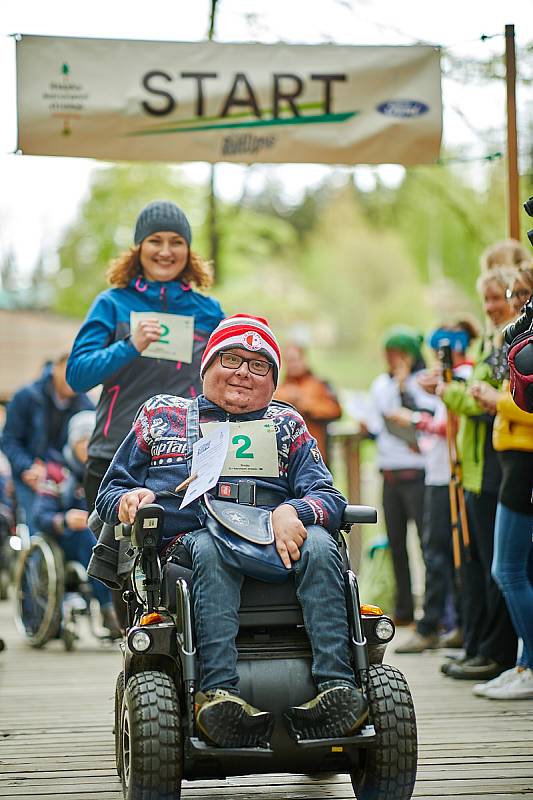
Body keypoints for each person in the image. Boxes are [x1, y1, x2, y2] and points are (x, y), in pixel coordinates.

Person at [96, 314, 368, 748]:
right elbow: (110, 491)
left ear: (273, 381)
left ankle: (337, 689)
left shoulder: (287, 424)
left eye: (259, 365)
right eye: (231, 359)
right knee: (209, 548)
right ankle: (217, 694)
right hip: (191, 544)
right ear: (207, 366)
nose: (243, 371)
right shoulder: (161, 414)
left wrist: (294, 510)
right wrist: (130, 501)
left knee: (318, 541)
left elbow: (328, 496)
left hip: (276, 542)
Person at [66, 200, 225, 512]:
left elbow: (225, 378)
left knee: (179, 555)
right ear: (138, 248)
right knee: (111, 558)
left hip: (184, 456)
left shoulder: (209, 312)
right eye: (155, 240)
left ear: (188, 250)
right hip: (113, 455)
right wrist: (129, 346)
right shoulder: (112, 303)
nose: (165, 251)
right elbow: (77, 375)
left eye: (176, 242)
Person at [438, 268, 518, 681]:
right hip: (475, 467)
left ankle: (496, 652)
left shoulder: (510, 341)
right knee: (481, 561)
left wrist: (448, 390)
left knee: (498, 566)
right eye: (485, 300)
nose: (491, 308)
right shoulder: (496, 341)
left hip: (493, 465)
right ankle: (483, 647)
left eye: (497, 298)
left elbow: (476, 400)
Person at [465, 264, 533, 699]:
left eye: (521, 293)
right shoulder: (514, 333)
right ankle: (524, 663)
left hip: (523, 458)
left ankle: (528, 666)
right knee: (511, 568)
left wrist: (496, 402)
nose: (515, 303)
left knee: (506, 568)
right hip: (511, 457)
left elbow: (521, 403)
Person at [392, 319, 478, 654]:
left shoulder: (464, 376)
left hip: (452, 476)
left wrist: (415, 420)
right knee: (439, 551)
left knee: (441, 551)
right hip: (439, 471)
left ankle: (434, 625)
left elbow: (448, 425)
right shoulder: (450, 378)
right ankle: (453, 624)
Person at [364, 326, 435, 626]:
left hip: (417, 472)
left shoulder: (424, 382)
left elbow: (424, 416)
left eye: (399, 354)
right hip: (390, 472)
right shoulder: (380, 384)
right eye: (389, 354)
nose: (393, 360)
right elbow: (373, 423)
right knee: (395, 544)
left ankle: (433, 612)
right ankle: (404, 609)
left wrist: (405, 386)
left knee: (426, 543)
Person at [33, 411, 121, 638]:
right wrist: (64, 519)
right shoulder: (57, 474)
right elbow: (40, 515)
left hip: (100, 535)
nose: (86, 446)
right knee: (89, 536)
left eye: (90, 440)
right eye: (81, 441)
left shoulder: (107, 471)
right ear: (72, 442)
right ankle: (106, 607)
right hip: (68, 538)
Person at [1, 354, 94, 535]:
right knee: (35, 525)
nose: (73, 378)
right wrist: (27, 467)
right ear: (55, 369)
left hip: (67, 476)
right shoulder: (26, 396)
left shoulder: (86, 405)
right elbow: (9, 440)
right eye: (69, 371)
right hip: (30, 474)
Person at [275, 343, 342, 463]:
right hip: (287, 456)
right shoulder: (280, 389)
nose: (293, 364)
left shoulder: (320, 384)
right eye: (289, 361)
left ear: (304, 359)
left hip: (316, 453)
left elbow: (335, 410)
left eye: (295, 359)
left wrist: (304, 405)